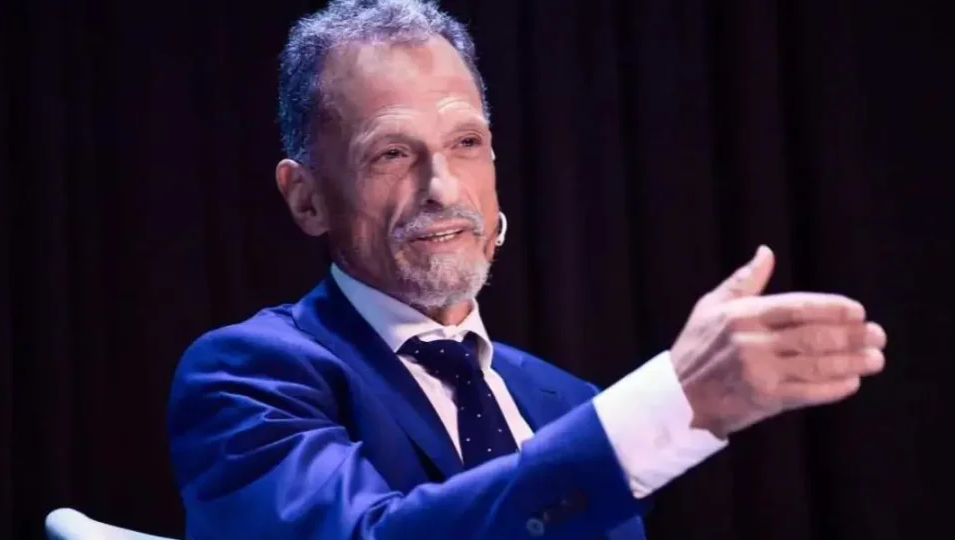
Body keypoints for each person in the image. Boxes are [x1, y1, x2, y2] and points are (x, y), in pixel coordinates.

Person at [166, 1, 888, 538]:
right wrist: (669, 405)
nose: (442, 188)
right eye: (391, 154)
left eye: (466, 143)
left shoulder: (567, 402)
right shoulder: (249, 377)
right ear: (306, 198)